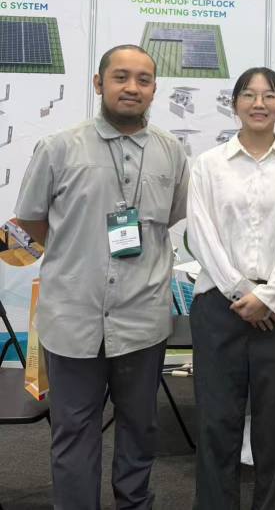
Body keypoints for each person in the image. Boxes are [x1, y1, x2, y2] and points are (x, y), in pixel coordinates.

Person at [14, 45, 189, 510]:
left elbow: (171, 216)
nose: (132, 87)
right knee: (74, 430)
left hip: (142, 320)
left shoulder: (171, 152)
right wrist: (78, 259)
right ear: (98, 83)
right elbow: (31, 223)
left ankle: (135, 503)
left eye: (143, 80)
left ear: (154, 89)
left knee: (140, 428)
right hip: (74, 320)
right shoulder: (58, 148)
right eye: (120, 77)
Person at [187, 67, 275, 510]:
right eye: (248, 94)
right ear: (234, 104)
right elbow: (200, 234)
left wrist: (269, 296)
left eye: (269, 95)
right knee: (216, 419)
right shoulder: (208, 164)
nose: (259, 103)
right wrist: (242, 291)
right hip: (218, 307)